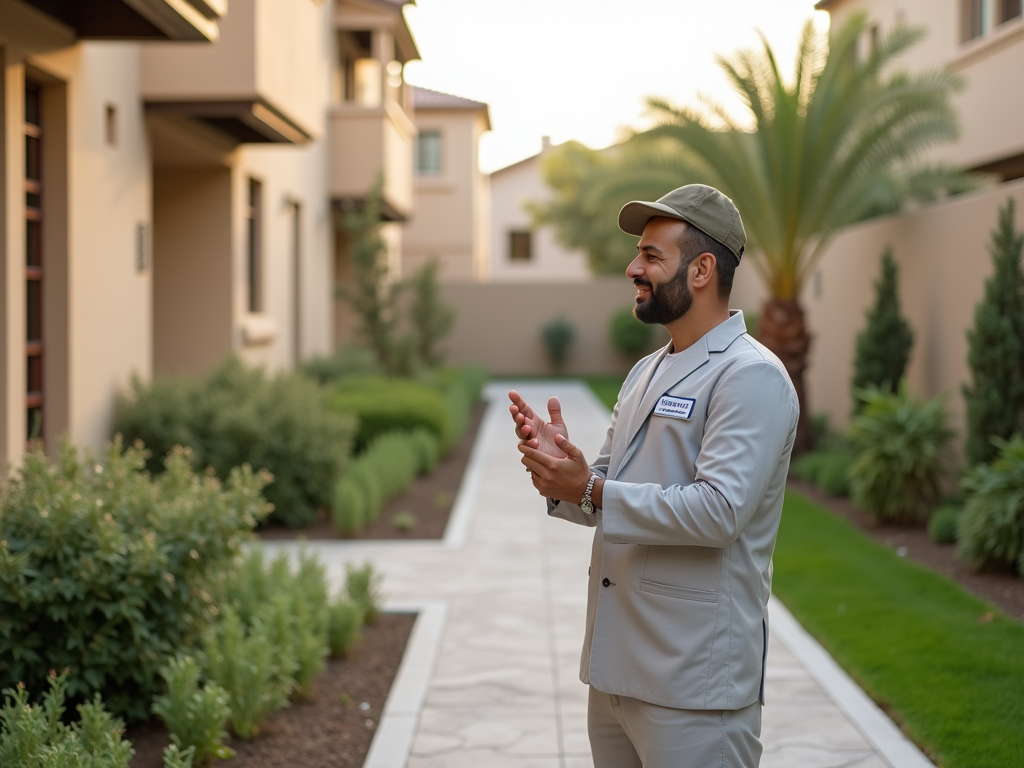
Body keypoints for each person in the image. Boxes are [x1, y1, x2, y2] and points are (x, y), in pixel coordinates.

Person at [508, 184, 799, 768]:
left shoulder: (750, 378)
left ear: (702, 270)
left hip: (692, 686)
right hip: (617, 674)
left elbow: (718, 511)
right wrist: (564, 474)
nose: (633, 267)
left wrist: (590, 488)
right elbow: (606, 485)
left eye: (651, 255)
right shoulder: (647, 370)